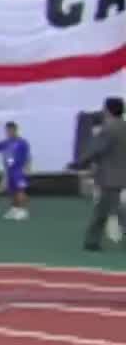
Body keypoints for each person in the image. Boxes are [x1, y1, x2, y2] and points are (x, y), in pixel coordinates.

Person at [69, 97, 126, 252]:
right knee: (103, 210)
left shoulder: (108, 129)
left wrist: (77, 163)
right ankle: (91, 242)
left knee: (115, 211)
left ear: (107, 110)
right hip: (120, 175)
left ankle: (91, 241)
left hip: (109, 176)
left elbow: (95, 149)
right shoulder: (123, 126)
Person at [0, 121, 31, 221]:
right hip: (10, 171)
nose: (9, 132)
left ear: (15, 130)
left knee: (20, 190)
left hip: (19, 170)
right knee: (12, 192)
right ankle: (15, 209)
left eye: (10, 130)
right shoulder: (6, 142)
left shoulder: (22, 142)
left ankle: (23, 211)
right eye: (7, 130)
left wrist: (27, 168)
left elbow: (28, 157)